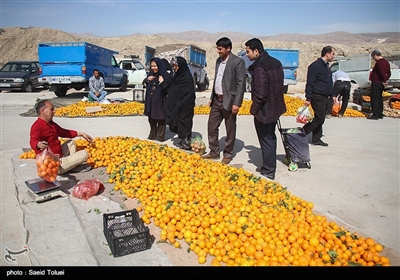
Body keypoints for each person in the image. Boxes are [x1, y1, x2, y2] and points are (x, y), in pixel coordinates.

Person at [245, 38, 286, 180]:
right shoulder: (276, 62)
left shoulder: (260, 67)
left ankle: (269, 170)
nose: (247, 55)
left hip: (265, 109)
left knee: (266, 138)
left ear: (256, 51)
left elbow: (261, 94)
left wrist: (254, 110)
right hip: (275, 107)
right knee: (270, 136)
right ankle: (269, 166)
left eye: (248, 51)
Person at [202, 37, 246, 164]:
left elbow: (240, 84)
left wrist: (237, 103)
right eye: (217, 48)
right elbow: (217, 79)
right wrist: (211, 97)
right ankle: (214, 151)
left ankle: (227, 153)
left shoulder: (237, 62)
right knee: (211, 126)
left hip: (230, 101)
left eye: (220, 49)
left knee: (230, 128)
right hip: (217, 99)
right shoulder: (218, 61)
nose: (218, 51)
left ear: (228, 48)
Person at [30, 99, 93, 174]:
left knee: (71, 143)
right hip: (53, 165)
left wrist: (81, 133)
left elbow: (64, 132)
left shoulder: (51, 124)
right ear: (43, 111)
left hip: (59, 156)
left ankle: (69, 166)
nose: (54, 112)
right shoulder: (37, 126)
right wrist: (38, 144)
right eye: (51, 109)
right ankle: (66, 167)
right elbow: (32, 140)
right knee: (84, 154)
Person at [303, 46, 336, 147]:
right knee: (320, 118)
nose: (334, 56)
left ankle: (316, 139)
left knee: (319, 118)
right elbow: (310, 83)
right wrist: (308, 98)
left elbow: (328, 83)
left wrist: (332, 95)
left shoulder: (326, 67)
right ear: (327, 54)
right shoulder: (315, 66)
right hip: (317, 96)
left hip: (325, 97)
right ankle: (301, 133)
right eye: (333, 54)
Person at [165, 56, 196, 150]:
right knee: (178, 123)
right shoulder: (176, 76)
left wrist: (181, 103)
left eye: (176, 66)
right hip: (177, 105)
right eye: (174, 65)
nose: (175, 68)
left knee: (185, 123)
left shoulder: (187, 78)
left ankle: (186, 141)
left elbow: (189, 93)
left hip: (185, 105)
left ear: (181, 66)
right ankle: (182, 139)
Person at [143, 57, 172, 141]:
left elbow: (168, 87)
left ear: (159, 65)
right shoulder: (150, 74)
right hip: (151, 100)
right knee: (151, 118)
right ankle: (152, 134)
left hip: (161, 100)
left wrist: (162, 82)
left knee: (161, 118)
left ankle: (160, 136)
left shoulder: (165, 75)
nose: (153, 68)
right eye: (152, 66)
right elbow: (145, 83)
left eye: (155, 66)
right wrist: (147, 79)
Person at [367, 50, 391, 120]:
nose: (373, 59)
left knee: (375, 98)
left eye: (373, 57)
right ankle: (380, 113)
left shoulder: (379, 63)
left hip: (377, 82)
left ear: (375, 55)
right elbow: (389, 73)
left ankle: (375, 114)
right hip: (380, 83)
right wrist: (385, 80)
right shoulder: (386, 62)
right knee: (379, 98)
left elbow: (381, 72)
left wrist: (383, 80)